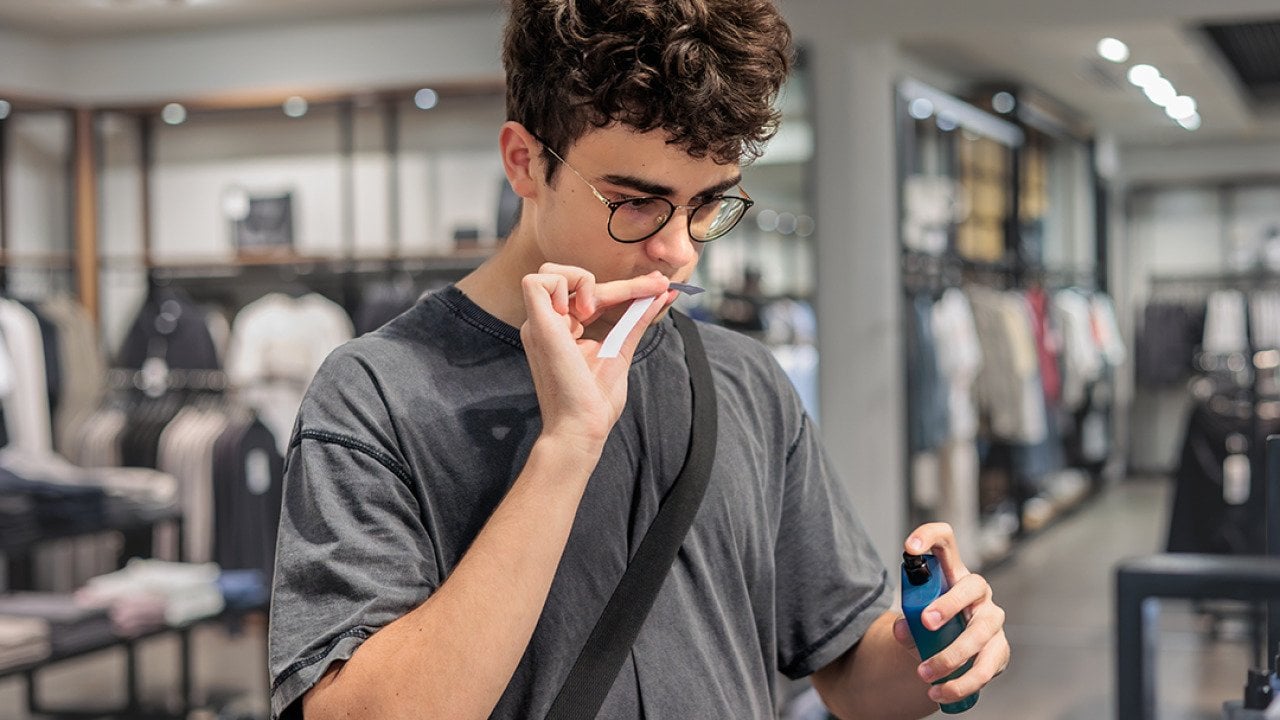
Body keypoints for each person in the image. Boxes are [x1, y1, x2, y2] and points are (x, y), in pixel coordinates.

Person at [267, 0, 1010, 717]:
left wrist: (931, 649)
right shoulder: (377, 394)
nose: (679, 250)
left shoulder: (743, 380)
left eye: (706, 204)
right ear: (525, 162)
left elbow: (847, 675)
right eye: (634, 202)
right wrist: (566, 447)